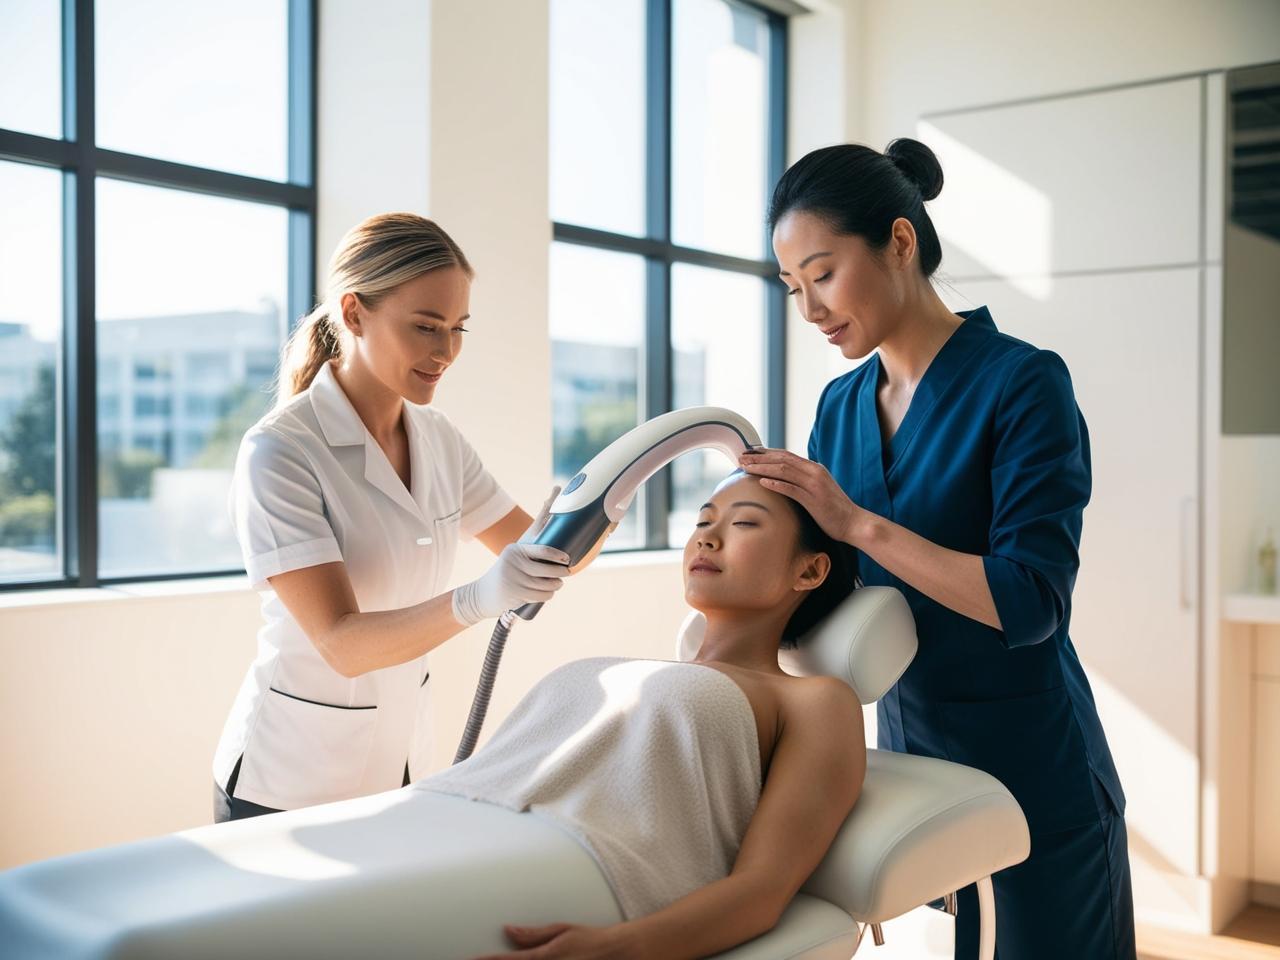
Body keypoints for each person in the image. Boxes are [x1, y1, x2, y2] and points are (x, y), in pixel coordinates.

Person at [738, 138, 1136, 959]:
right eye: (791, 287)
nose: (809, 308)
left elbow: (1030, 601)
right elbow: (833, 591)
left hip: (1033, 768)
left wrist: (856, 524)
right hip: (907, 765)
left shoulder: (1022, 383)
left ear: (899, 242)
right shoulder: (840, 406)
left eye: (823, 273)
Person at [414, 471, 865, 960]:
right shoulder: (639, 671)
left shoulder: (815, 701)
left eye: (746, 524)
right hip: (444, 819)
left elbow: (762, 890)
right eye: (702, 520)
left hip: (568, 868)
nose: (707, 538)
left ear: (810, 571)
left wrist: (619, 948)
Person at [213, 213, 569, 822]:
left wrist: (613, 489)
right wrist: (481, 596)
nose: (447, 352)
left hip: (398, 761)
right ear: (354, 314)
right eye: (427, 328)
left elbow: (537, 548)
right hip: (285, 781)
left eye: (458, 329)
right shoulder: (281, 450)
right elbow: (342, 644)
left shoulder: (437, 437)